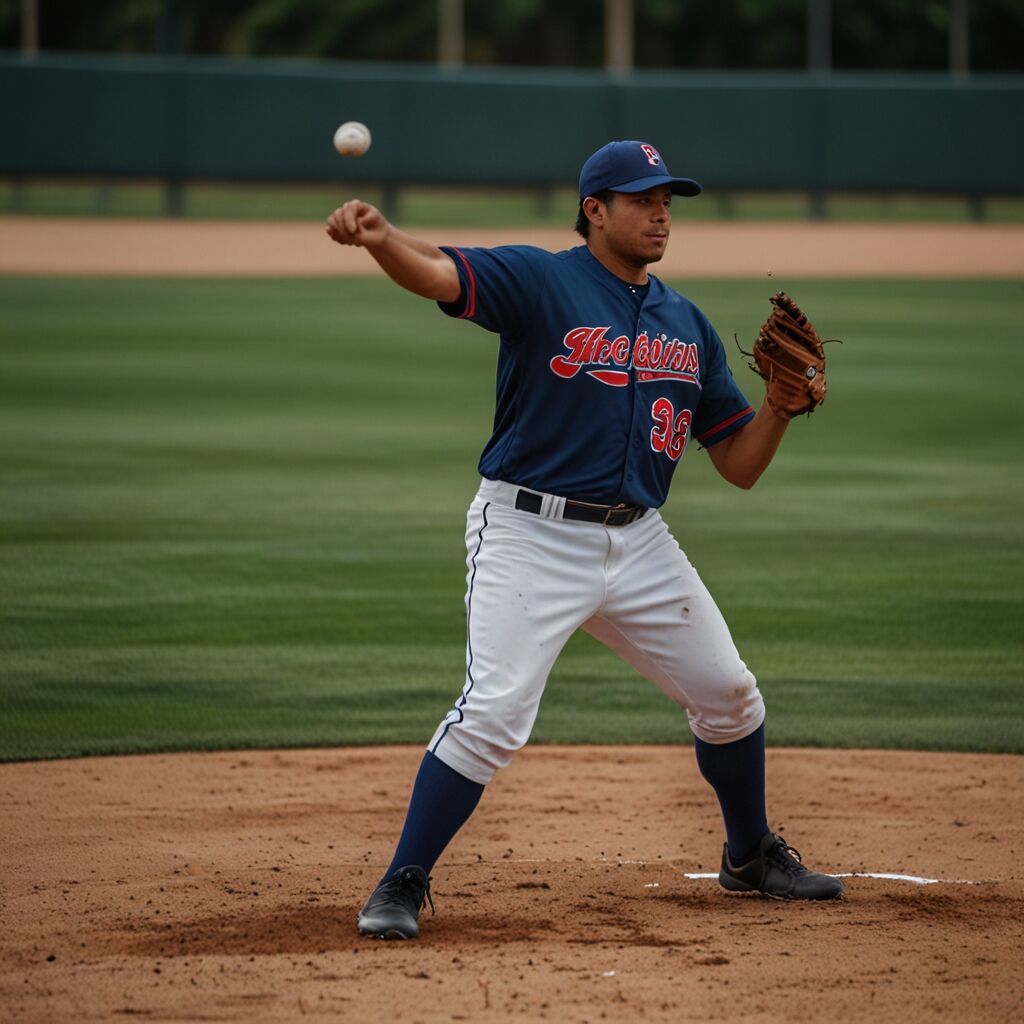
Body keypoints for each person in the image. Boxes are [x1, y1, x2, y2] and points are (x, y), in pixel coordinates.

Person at [325, 140, 843, 941]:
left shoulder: (687, 323)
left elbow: (738, 466)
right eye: (642, 199)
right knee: (494, 711)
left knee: (731, 695)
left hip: (640, 543)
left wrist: (777, 408)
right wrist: (383, 238)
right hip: (529, 533)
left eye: (667, 199)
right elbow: (441, 275)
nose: (661, 212)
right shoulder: (543, 280)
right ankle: (402, 879)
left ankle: (749, 856)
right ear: (595, 210)